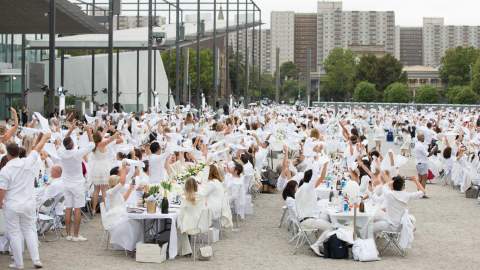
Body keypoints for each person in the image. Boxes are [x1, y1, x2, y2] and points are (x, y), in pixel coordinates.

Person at [0, 132, 50, 269]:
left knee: (15, 233)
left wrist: (1, 204)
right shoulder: (27, 162)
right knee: (30, 231)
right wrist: (45, 137)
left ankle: (19, 263)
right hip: (28, 203)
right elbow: (37, 148)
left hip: (12, 204)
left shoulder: (5, 170)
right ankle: (36, 260)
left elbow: (2, 191)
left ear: (8, 155)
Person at [58, 124, 94, 241]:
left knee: (68, 208)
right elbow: (92, 144)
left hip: (66, 183)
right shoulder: (77, 153)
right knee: (77, 208)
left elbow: (63, 142)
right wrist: (88, 130)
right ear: (73, 144)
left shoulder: (62, 153)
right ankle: (76, 235)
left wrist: (71, 130)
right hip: (77, 183)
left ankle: (68, 234)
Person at [104, 164, 141, 252]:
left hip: (120, 213)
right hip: (115, 216)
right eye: (118, 182)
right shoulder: (110, 192)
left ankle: (134, 244)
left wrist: (130, 189)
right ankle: (129, 245)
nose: (119, 184)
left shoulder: (116, 192)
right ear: (115, 183)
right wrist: (123, 168)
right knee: (133, 223)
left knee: (136, 222)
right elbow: (122, 182)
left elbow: (123, 199)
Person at [89, 131, 119, 216]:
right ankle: (106, 209)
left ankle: (93, 210)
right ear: (99, 137)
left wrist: (106, 129)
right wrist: (115, 134)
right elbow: (110, 139)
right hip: (103, 167)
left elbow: (105, 138)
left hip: (96, 168)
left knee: (96, 190)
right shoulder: (101, 144)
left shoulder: (93, 144)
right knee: (104, 190)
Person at [177, 177, 208, 256]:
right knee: (182, 224)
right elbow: (204, 209)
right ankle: (186, 250)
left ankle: (186, 250)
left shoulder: (184, 198)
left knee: (178, 225)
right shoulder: (202, 196)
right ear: (196, 186)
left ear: (186, 187)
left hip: (190, 226)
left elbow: (181, 214)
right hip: (201, 224)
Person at [414, 133, 434, 198]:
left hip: (418, 163)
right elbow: (427, 154)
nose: (424, 138)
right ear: (419, 137)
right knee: (424, 179)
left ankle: (418, 193)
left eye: (423, 136)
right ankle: (422, 193)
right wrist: (433, 151)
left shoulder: (417, 144)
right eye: (422, 136)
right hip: (423, 163)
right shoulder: (420, 145)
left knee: (420, 179)